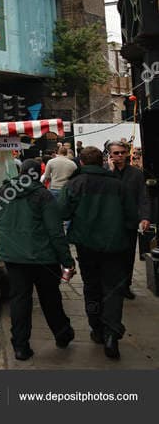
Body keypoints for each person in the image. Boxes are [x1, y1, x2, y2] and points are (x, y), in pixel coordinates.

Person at [60, 146, 146, 359]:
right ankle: (111, 333)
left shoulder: (75, 184)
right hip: (114, 245)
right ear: (102, 161)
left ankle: (97, 328)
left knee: (92, 287)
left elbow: (62, 211)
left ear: (81, 162)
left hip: (86, 245)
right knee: (113, 289)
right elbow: (130, 216)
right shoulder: (118, 185)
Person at [0, 159, 75, 361]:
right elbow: (55, 231)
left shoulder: (3, 191)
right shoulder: (43, 195)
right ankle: (62, 333)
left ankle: (20, 346)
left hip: (14, 256)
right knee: (50, 298)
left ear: (20, 171)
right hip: (43, 257)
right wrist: (67, 260)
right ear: (38, 172)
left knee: (20, 300)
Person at [106, 141, 152, 299]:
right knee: (112, 256)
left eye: (122, 152)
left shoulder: (136, 173)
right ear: (109, 155)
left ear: (127, 154)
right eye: (116, 153)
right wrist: (111, 172)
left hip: (129, 221)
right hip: (110, 222)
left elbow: (143, 197)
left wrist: (145, 217)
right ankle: (112, 286)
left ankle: (126, 285)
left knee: (128, 255)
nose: (120, 156)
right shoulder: (105, 173)